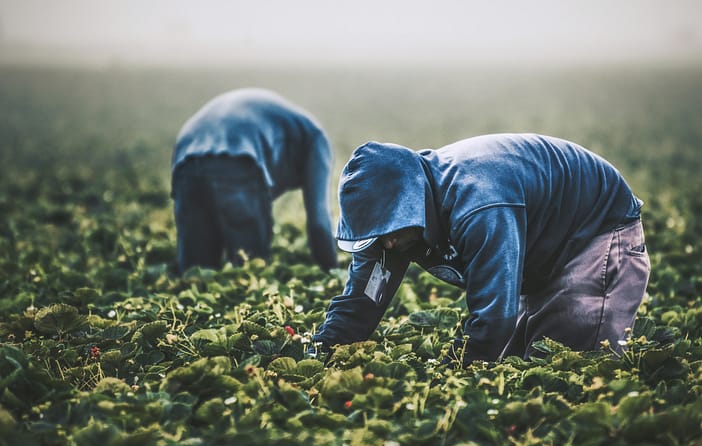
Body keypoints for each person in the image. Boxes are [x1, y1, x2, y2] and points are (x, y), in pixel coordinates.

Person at [312, 134, 650, 365]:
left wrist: (451, 371)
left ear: (411, 205)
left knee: (573, 361)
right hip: (540, 245)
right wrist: (320, 353)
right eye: (376, 235)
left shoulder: (479, 203)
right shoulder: (393, 231)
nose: (386, 244)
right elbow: (361, 301)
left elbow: (494, 316)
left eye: (389, 231)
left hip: (596, 230)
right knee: (523, 362)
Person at [171, 88, 337, 273]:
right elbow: (319, 222)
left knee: (196, 273)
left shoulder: (292, 129)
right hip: (238, 155)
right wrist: (332, 271)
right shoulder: (317, 140)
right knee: (249, 270)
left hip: (186, 156)